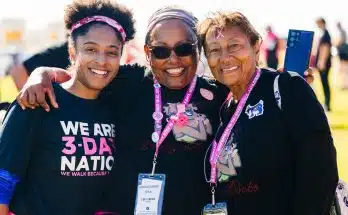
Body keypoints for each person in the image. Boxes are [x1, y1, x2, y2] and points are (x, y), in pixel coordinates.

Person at [14, 6, 315, 214]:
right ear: (147, 53)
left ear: (197, 51)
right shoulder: (127, 82)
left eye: (184, 48)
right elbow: (87, 72)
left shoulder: (217, 94)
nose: (173, 60)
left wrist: (287, 85)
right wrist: (43, 73)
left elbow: (254, 92)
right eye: (160, 51)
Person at [0, 0, 135, 214]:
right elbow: (4, 179)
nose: (102, 60)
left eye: (111, 52)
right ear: (72, 52)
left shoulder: (116, 106)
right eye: (90, 49)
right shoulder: (38, 99)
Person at [197, 11, 338, 215]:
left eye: (234, 45)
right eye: (214, 50)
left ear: (256, 46)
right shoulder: (225, 109)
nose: (225, 58)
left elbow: (320, 172)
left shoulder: (286, 88)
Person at [315, 17, 332, 111]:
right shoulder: (324, 33)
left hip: (324, 64)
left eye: (318, 23)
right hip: (324, 63)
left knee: (325, 83)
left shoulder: (326, 34)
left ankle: (327, 104)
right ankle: (326, 103)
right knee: (324, 83)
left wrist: (322, 62)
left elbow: (325, 48)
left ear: (322, 23)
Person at [336, 22, 348, 90]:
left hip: (343, 54)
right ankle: (344, 85)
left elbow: (340, 41)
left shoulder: (342, 32)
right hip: (343, 54)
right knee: (344, 71)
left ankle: (345, 85)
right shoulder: (342, 32)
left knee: (344, 70)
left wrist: (336, 43)